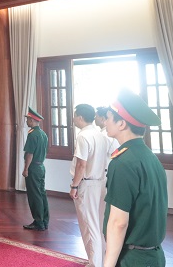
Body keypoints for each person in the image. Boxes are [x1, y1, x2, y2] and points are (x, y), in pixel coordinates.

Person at [103, 88, 167, 267]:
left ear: (121, 124)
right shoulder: (149, 156)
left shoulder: (123, 162)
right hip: (153, 256)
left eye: (108, 117)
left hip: (132, 258)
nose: (105, 122)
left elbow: (118, 222)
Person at [69, 104, 110, 267]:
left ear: (80, 117)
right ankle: (102, 260)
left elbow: (81, 164)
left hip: (87, 184)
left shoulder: (83, 136)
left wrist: (74, 186)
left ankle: (94, 263)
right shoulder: (101, 135)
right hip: (101, 183)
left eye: (74, 116)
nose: (73, 119)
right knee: (99, 224)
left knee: (88, 225)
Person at [22, 106, 49, 231]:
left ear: (32, 120)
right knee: (42, 194)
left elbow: (30, 154)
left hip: (33, 167)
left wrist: (26, 169)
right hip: (41, 166)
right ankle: (44, 220)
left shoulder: (32, 134)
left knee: (34, 196)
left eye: (27, 119)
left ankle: (38, 222)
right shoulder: (43, 134)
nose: (26, 121)